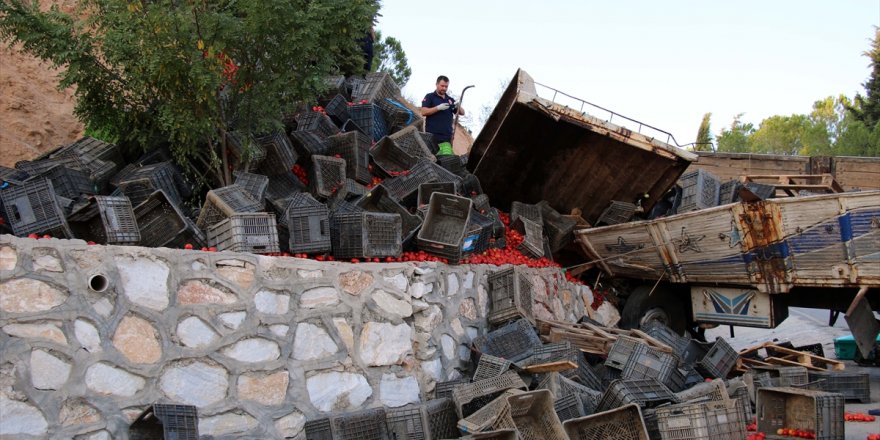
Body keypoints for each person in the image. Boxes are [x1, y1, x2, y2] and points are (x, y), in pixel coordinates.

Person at [421, 75, 464, 155]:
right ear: (436, 84)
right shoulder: (430, 97)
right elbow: (423, 111)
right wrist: (437, 108)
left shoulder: (450, 100)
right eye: (442, 86)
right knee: (430, 159)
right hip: (432, 136)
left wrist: (458, 105)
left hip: (446, 138)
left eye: (446, 86)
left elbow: (462, 113)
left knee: (445, 160)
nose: (444, 88)